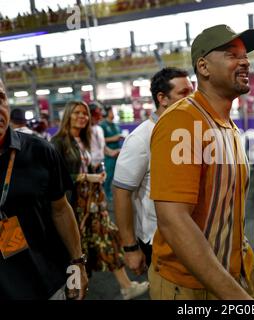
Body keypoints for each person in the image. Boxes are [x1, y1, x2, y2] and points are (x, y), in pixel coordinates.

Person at [149, 24, 254, 300]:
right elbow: (173, 221)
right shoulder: (183, 120)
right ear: (203, 67)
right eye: (232, 55)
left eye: (245, 56)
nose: (245, 62)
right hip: (191, 285)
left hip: (236, 269)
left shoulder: (226, 125)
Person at [51, 101, 148, 300]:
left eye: (85, 114)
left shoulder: (83, 140)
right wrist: (87, 178)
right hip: (73, 206)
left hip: (93, 203)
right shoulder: (58, 142)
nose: (82, 117)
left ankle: (125, 286)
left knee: (107, 240)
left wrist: (95, 175)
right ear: (68, 115)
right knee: (75, 251)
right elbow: (56, 178)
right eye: (77, 113)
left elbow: (85, 166)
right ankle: (74, 292)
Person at [0, 80, 88, 300]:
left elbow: (60, 210)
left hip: (45, 284)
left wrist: (77, 265)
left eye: (0, 98)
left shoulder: (40, 151)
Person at [113, 67, 193, 276]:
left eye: (192, 92)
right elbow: (121, 193)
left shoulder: (188, 130)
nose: (192, 98)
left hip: (192, 237)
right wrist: (130, 248)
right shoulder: (141, 138)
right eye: (183, 93)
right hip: (159, 243)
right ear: (162, 98)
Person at [88, 101, 119, 173]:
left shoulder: (99, 129)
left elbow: (104, 148)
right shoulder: (84, 130)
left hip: (100, 165)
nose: (99, 117)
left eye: (100, 113)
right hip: (90, 166)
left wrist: (115, 152)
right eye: (96, 114)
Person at [100, 105, 122, 200]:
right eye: (111, 111)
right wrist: (114, 138)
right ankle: (105, 193)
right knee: (108, 175)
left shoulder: (115, 125)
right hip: (108, 154)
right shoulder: (102, 125)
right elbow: (100, 140)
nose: (113, 113)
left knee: (115, 175)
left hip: (117, 152)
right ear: (107, 113)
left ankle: (111, 193)